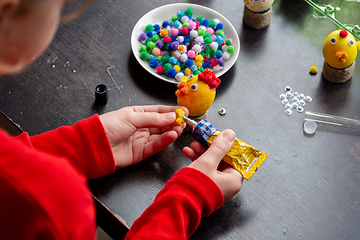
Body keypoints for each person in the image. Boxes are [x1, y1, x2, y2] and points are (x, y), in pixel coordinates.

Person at [0, 0, 244, 239]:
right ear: (9, 12)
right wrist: (190, 197)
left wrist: (86, 145)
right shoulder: (51, 214)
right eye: (62, 6)